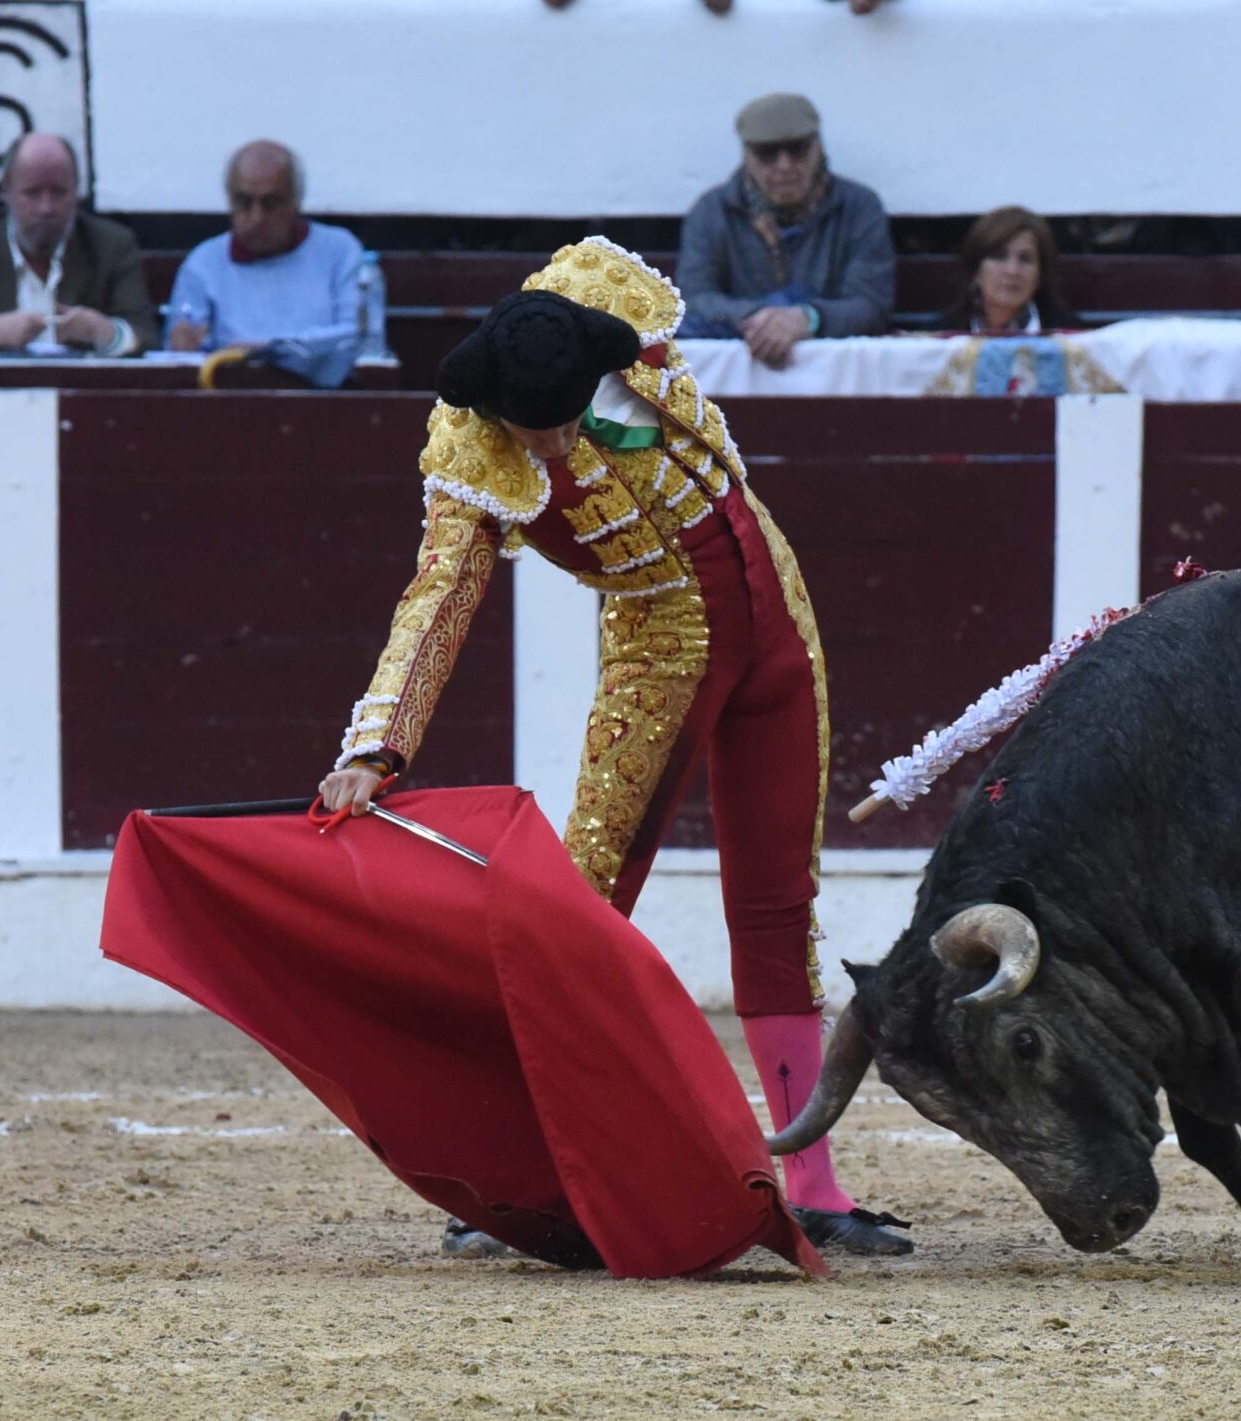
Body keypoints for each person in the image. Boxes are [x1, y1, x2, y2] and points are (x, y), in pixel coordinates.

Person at [316, 239, 911, 1259]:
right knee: (582, 907)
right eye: (529, 433)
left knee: (778, 902)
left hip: (778, 617)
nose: (547, 452)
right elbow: (442, 596)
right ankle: (521, 1176)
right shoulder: (470, 446)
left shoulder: (610, 310)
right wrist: (378, 744)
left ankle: (809, 1180)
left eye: (558, 426)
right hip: (660, 649)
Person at [676, 93, 896, 365]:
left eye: (798, 149)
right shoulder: (711, 211)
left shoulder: (859, 207)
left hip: (837, 375)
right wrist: (763, 319)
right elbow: (693, 299)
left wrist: (808, 318)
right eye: (767, 153)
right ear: (746, 154)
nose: (784, 165)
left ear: (819, 147)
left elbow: (870, 302)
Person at [0, 133, 157, 358]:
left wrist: (105, 333)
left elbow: (149, 340)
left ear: (77, 192)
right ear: (5, 191)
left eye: (59, 193)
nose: (46, 208)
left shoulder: (112, 246)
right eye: (32, 193)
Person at [163, 140, 369, 387]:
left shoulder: (340, 251)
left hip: (326, 400)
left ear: (297, 201)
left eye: (270, 203)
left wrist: (270, 350)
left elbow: (356, 338)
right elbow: (180, 359)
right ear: (229, 201)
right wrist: (184, 348)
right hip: (228, 402)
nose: (257, 217)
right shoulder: (203, 263)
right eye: (244, 202)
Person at [935, 206, 1079, 333]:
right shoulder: (941, 338)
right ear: (975, 271)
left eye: (1025, 259)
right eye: (999, 257)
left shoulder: (1069, 337)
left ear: (1040, 275)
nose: (1012, 271)